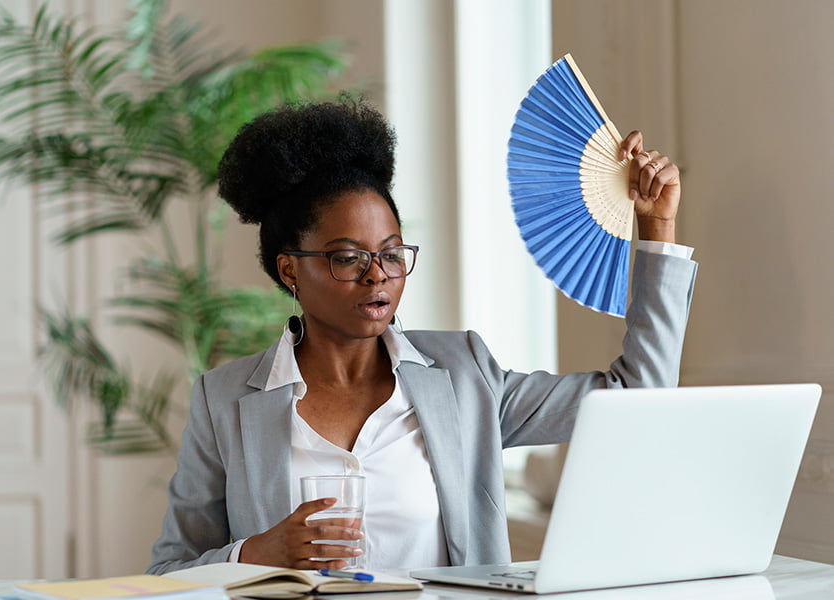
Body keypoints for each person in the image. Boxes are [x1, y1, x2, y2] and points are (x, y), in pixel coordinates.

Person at [147, 98, 697, 574]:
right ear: (290, 269)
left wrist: (656, 229)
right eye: (347, 258)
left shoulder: (464, 375)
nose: (378, 275)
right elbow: (169, 572)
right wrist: (255, 553)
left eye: (391, 253)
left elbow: (638, 397)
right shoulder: (224, 401)